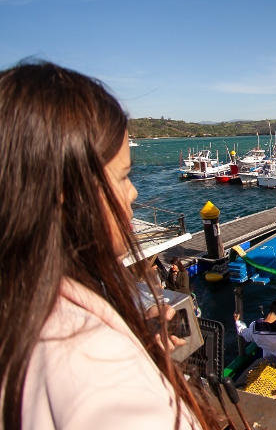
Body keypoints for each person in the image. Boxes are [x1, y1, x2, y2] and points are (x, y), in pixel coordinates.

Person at [0, 62, 213, 429]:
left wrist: (141, 346)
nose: (133, 192)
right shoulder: (101, 374)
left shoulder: (24, 309)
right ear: (66, 192)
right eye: (124, 176)